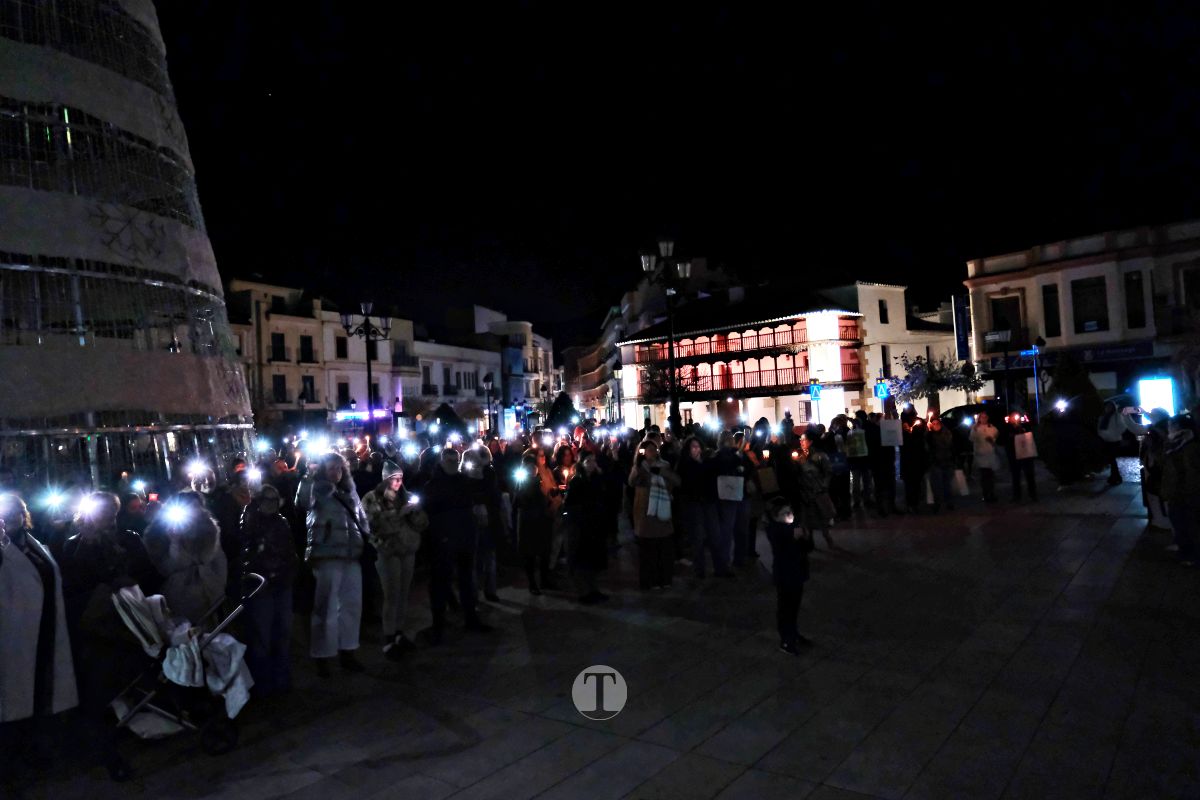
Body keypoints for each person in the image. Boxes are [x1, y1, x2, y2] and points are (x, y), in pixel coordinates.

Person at [59, 491, 159, 781]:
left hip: (128, 625)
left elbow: (147, 575)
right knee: (98, 693)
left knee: (133, 681)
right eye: (104, 514)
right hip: (96, 630)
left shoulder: (127, 538)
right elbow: (70, 588)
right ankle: (108, 752)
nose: (109, 519)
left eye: (113, 514)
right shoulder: (74, 546)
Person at [0, 494, 78, 776]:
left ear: (24, 515)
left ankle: (37, 750)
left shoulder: (34, 544)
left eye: (14, 513)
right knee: (15, 696)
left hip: (43, 627)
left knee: (40, 689)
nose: (9, 518)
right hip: (13, 633)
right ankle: (14, 758)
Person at [296, 452, 368, 676]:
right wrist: (308, 475)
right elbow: (302, 502)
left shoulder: (350, 490)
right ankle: (323, 655)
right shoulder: (316, 488)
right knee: (325, 607)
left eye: (339, 468)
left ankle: (348, 650)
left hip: (350, 554)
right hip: (326, 554)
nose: (336, 472)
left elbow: (361, 518)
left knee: (351, 605)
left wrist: (365, 535)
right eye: (331, 468)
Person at [421, 448, 493, 645]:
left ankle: (470, 618)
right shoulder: (433, 485)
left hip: (464, 538)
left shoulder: (463, 481)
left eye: (455, 459)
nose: (453, 462)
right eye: (449, 459)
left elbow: (477, 498)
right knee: (440, 583)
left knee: (466, 580)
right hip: (443, 540)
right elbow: (430, 514)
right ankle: (439, 624)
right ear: (442, 461)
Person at [362, 462, 427, 660]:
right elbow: (371, 525)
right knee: (391, 594)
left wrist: (415, 512)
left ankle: (400, 633)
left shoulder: (406, 496)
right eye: (393, 478)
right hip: (387, 551)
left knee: (403, 593)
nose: (398, 482)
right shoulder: (372, 498)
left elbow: (423, 523)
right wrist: (399, 515)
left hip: (407, 549)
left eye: (400, 478)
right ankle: (389, 637)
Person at [237, 485, 298, 694]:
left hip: (281, 581)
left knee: (283, 631)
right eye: (267, 500)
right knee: (262, 634)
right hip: (261, 585)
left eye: (274, 500)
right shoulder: (250, 521)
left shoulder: (281, 522)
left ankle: (281, 677)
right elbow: (247, 551)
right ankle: (262, 681)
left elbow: (289, 549)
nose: (270, 504)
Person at [142, 496, 228, 625]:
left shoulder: (208, 529)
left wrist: (218, 585)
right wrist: (175, 541)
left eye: (196, 507)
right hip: (179, 593)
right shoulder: (159, 532)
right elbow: (168, 567)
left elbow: (215, 559)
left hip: (209, 589)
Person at [764, 496, 814, 655]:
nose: (789, 515)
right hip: (785, 575)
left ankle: (793, 633)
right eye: (784, 513)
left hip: (798, 573)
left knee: (794, 606)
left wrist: (805, 537)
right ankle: (786, 640)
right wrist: (796, 534)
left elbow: (807, 547)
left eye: (790, 512)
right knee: (786, 607)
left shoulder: (794, 528)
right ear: (776, 517)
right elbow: (783, 540)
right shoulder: (776, 530)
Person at [629, 439, 680, 590]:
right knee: (647, 550)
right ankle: (649, 580)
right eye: (648, 450)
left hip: (662, 508)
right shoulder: (639, 468)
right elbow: (631, 482)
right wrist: (640, 469)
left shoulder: (664, 466)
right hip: (645, 511)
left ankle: (664, 578)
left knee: (663, 548)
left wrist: (663, 473)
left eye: (654, 449)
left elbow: (676, 482)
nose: (651, 452)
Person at [676, 435, 729, 578]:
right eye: (693, 447)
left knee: (715, 536)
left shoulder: (707, 462)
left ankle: (720, 568)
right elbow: (687, 483)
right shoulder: (684, 465)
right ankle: (700, 570)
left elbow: (716, 473)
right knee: (697, 538)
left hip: (709, 503)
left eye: (698, 446)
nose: (696, 449)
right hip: (694, 504)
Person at [564, 452, 609, 603]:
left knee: (593, 559)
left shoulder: (595, 478)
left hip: (595, 524)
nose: (592, 463)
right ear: (582, 463)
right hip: (582, 526)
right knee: (583, 560)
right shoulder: (577, 481)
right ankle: (583, 593)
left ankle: (594, 589)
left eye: (593, 460)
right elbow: (570, 503)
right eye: (588, 461)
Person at [463, 446, 504, 603]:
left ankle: (489, 590)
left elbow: (493, 495)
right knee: (475, 559)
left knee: (488, 557)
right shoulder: (464, 476)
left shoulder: (488, 473)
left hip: (488, 520)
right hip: (471, 521)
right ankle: (475, 594)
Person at [1160, 415, 1199, 567]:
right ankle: (1184, 550)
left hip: (1185, 491)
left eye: (1171, 425)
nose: (1169, 428)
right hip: (1178, 490)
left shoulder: (1190, 446)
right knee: (1179, 521)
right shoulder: (1176, 442)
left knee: (1187, 523)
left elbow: (1189, 472)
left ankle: (1190, 555)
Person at [515, 452, 554, 595]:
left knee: (544, 552)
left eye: (534, 466)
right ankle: (532, 583)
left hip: (542, 520)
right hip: (529, 522)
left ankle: (544, 580)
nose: (532, 469)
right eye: (529, 466)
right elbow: (519, 501)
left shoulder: (539, 480)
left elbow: (545, 499)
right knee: (530, 554)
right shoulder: (523, 482)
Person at [795, 432, 834, 548]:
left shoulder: (820, 455)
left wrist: (824, 486)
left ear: (810, 441)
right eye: (800, 440)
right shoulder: (799, 455)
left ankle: (828, 538)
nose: (801, 442)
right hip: (805, 492)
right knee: (806, 518)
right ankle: (809, 540)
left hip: (817, 491)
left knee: (822, 516)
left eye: (803, 440)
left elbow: (828, 472)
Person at [1139, 408, 1171, 529]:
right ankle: (1160, 519)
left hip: (1158, 466)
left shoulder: (1157, 429)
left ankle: (1162, 520)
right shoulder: (1161, 426)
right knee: (1154, 493)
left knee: (1156, 493)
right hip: (1154, 465)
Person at [1004, 413, 1039, 502]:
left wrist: (1023, 427)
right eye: (1013, 417)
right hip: (1014, 456)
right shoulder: (1007, 428)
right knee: (1016, 476)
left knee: (1029, 475)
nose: (1015, 419)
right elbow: (1004, 440)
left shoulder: (1025, 425)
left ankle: (1033, 494)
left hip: (1026, 455)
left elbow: (1031, 433)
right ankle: (1017, 496)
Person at [899, 409, 928, 513]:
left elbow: (923, 436)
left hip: (917, 458)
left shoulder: (918, 424)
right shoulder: (902, 426)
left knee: (916, 483)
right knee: (910, 484)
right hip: (909, 460)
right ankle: (911, 504)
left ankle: (915, 503)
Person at [925, 416, 956, 511]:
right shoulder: (929, 434)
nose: (935, 426)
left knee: (947, 484)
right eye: (933, 424)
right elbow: (927, 447)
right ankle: (937, 503)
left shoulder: (946, 433)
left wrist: (933, 435)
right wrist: (929, 433)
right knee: (936, 485)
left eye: (937, 423)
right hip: (935, 462)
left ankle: (949, 502)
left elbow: (946, 444)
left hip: (946, 461)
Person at [969, 412, 1000, 503]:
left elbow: (996, 436)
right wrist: (974, 430)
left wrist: (992, 440)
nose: (984, 419)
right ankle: (986, 494)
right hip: (981, 455)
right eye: (982, 417)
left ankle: (992, 493)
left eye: (985, 417)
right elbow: (972, 438)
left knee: (991, 476)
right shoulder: (975, 428)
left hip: (990, 454)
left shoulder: (992, 427)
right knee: (984, 476)